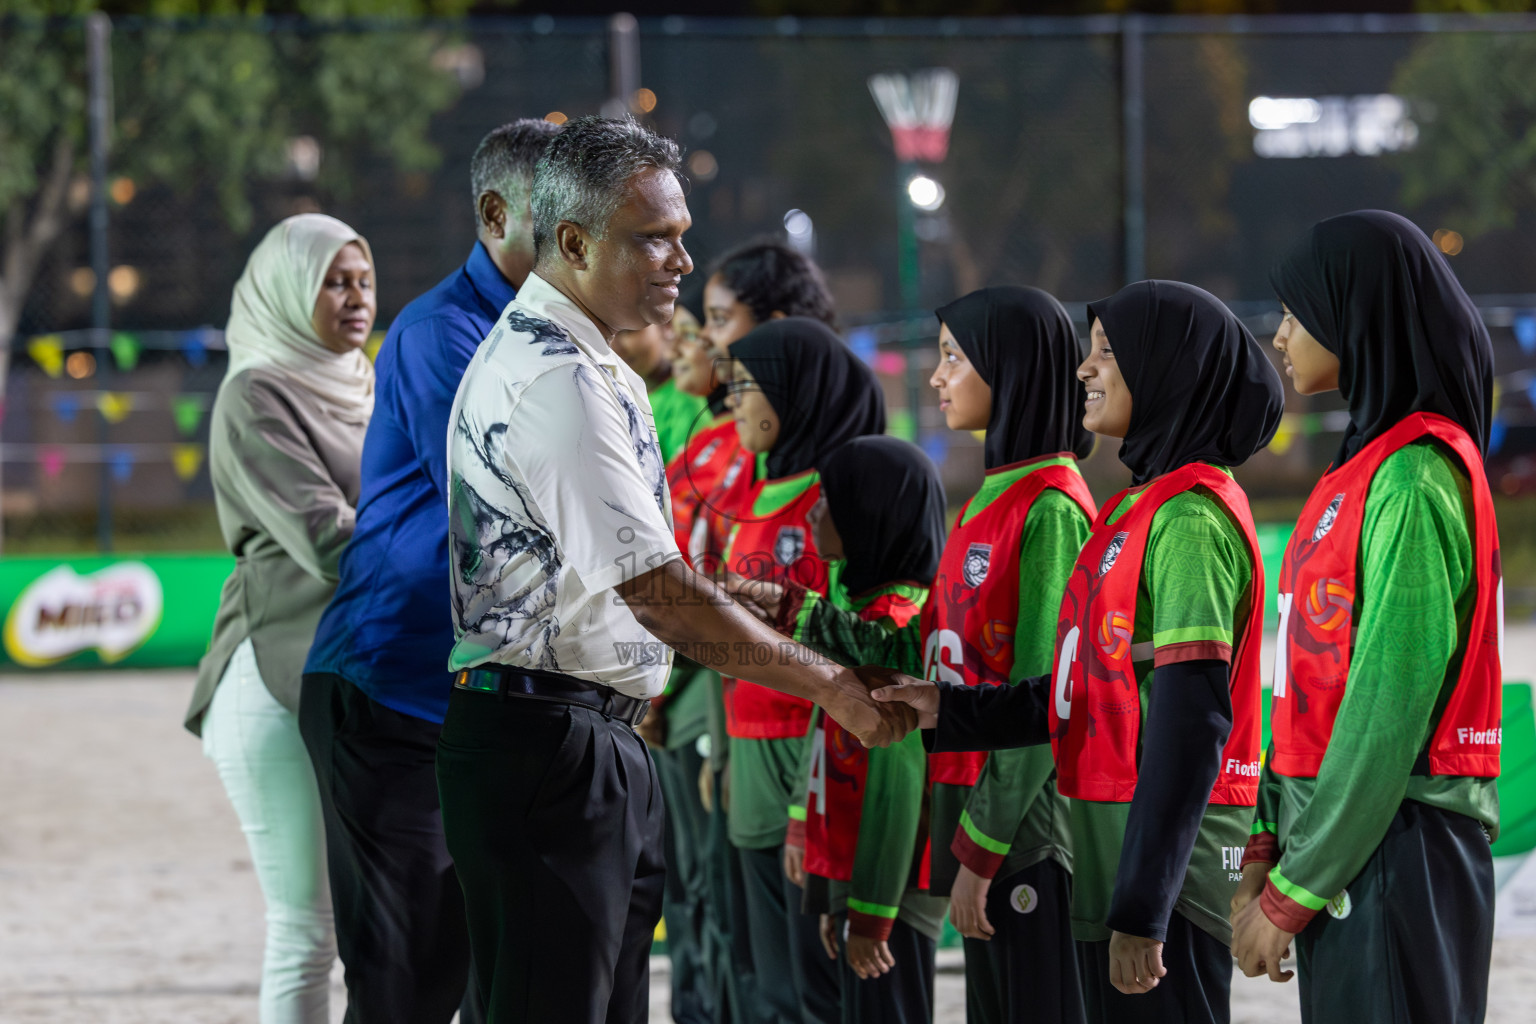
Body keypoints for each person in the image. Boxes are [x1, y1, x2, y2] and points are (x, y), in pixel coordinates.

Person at [433, 115, 913, 1024]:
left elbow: (603, 573)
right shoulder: (556, 380)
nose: (682, 264)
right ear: (572, 241)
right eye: (654, 238)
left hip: (571, 738)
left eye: (682, 237)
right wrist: (834, 686)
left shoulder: (586, 359)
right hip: (546, 748)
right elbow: (654, 596)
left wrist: (730, 593)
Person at [872, 280, 1284, 1024]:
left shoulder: (1189, 519)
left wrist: (1144, 907)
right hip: (1112, 850)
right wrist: (947, 709)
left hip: (1161, 872)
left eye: (1106, 351)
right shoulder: (1139, 505)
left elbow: (1192, 726)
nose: (1085, 370)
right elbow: (1074, 691)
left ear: (1166, 369)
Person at [735, 286, 1099, 1024]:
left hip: (1021, 838)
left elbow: (1044, 701)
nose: (937, 378)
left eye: (955, 359)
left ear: (1012, 369)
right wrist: (789, 609)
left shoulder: (1051, 507)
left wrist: (983, 844)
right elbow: (909, 656)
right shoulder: (987, 502)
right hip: (974, 826)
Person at [298, 118, 558, 1024]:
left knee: (485, 971)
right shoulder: (441, 333)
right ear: (494, 215)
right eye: (558, 216)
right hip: (389, 699)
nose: (581, 238)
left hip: (478, 708)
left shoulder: (554, 336)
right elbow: (522, 497)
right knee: (406, 987)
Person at [1230, 211, 1502, 1024]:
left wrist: (1294, 892)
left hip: (1396, 847)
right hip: (1347, 848)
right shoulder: (1365, 467)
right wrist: (1272, 841)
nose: (1279, 336)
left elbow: (1386, 709)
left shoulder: (1415, 479)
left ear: (1357, 313)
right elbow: (1315, 685)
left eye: (1297, 313)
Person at [185, 213, 376, 1023]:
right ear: (287, 291)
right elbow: (328, 538)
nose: (356, 298)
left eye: (364, 280)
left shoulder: (367, 383)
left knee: (373, 927)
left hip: (344, 678)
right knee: (308, 931)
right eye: (335, 281)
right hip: (272, 677)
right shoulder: (254, 394)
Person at [718, 316, 887, 1024]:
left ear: (798, 392)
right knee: (765, 972)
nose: (732, 401)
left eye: (746, 386)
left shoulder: (836, 495)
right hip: (750, 744)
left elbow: (853, 642)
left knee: (820, 973)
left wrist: (810, 793)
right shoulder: (753, 492)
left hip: (812, 747)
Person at [781, 436, 949, 1024]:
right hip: (860, 875)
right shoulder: (863, 608)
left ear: (868, 512)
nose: (811, 514)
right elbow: (824, 737)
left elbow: (897, 784)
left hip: (891, 888)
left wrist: (872, 909)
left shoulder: (896, 625)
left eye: (827, 500)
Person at [612, 306, 709, 465]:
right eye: (607, 334)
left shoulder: (685, 399)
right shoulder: (614, 396)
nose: (615, 346)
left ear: (666, 326)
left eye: (627, 331)